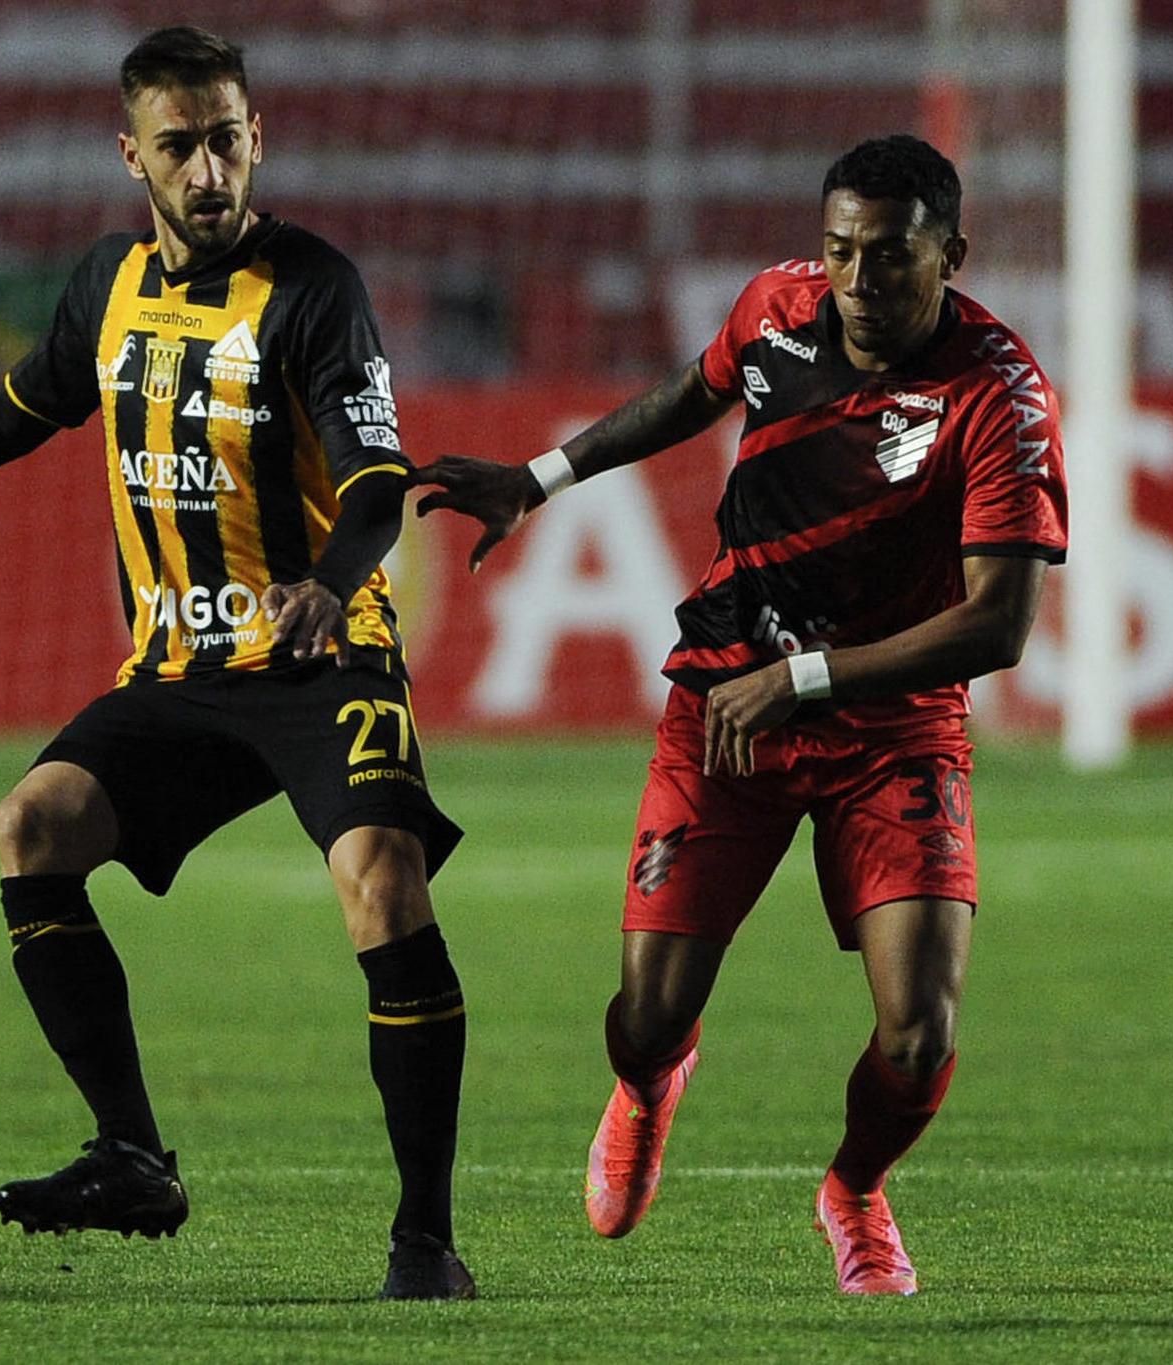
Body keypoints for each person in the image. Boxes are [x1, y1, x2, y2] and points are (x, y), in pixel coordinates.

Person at [0, 26, 474, 1301]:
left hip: (319, 654)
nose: (207, 170)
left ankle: (423, 1242)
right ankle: (132, 1153)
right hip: (178, 672)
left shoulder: (311, 288)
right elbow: (1, 419)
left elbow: (374, 488)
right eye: (179, 146)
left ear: (258, 140)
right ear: (132, 154)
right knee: (31, 825)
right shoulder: (105, 287)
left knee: (381, 886)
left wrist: (328, 588)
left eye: (226, 140)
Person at [414, 134, 1066, 1295]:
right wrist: (540, 477)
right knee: (645, 1017)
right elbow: (691, 392)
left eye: (891, 259)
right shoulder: (775, 308)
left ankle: (855, 1193)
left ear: (950, 258)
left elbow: (996, 627)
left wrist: (811, 678)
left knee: (918, 1036)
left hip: (893, 727)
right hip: (726, 698)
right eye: (842, 252)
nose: (860, 282)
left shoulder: (999, 396)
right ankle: (650, 1082)